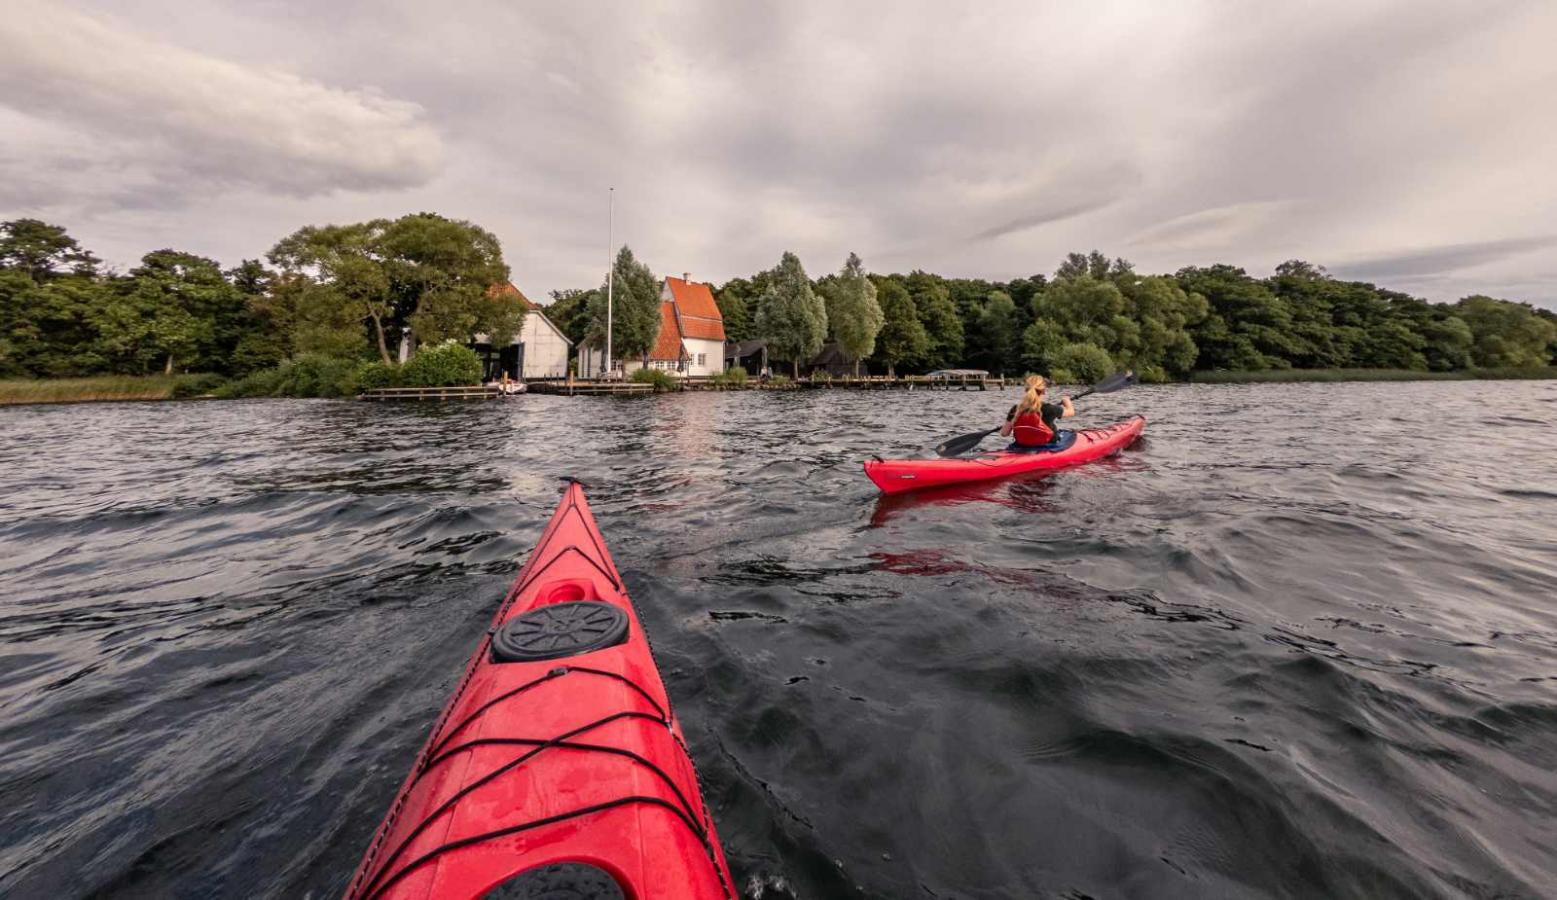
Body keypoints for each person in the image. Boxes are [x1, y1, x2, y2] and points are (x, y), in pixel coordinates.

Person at [1000, 374, 1074, 448]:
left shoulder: (1016, 409)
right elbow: (1071, 412)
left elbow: (1004, 433)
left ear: (1026, 390)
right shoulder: (1050, 409)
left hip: (1022, 446)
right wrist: (1067, 402)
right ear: (1044, 391)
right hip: (1047, 446)